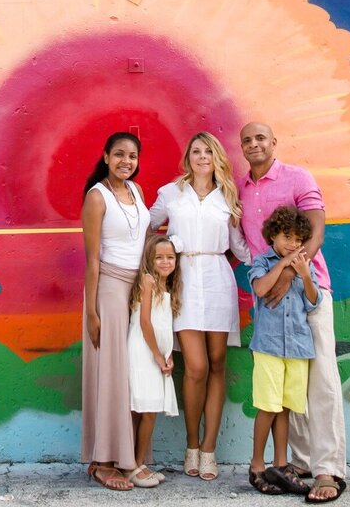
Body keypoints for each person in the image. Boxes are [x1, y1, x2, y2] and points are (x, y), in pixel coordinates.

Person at [237, 121, 347, 503]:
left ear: (273, 142)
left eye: (260, 138)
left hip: (308, 294)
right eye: (247, 140)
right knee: (290, 391)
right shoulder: (241, 190)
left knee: (322, 383)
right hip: (270, 308)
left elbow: (315, 232)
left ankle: (327, 469)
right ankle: (297, 463)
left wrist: (287, 277)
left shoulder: (298, 178)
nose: (254, 144)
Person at [148, 131, 249, 480]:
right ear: (187, 157)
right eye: (196, 151)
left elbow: (239, 245)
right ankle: (191, 444)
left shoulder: (228, 197)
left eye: (208, 151)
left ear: (216, 156)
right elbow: (146, 227)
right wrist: (163, 251)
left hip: (219, 277)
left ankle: (209, 450)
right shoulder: (171, 193)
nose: (202, 156)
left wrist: (278, 265)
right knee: (195, 366)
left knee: (218, 363)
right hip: (184, 283)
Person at [81, 131, 149, 491]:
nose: (127, 161)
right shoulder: (98, 197)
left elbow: (143, 239)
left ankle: (124, 457)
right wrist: (92, 312)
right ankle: (104, 462)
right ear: (106, 156)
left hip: (135, 289)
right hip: (107, 290)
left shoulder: (136, 192)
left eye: (133, 156)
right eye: (119, 154)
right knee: (110, 375)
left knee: (128, 374)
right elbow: (92, 260)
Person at [247, 206, 319, 496]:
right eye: (287, 236)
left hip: (297, 345)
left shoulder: (305, 265)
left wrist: (304, 274)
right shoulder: (262, 261)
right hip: (269, 345)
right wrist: (285, 265)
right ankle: (256, 466)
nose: (292, 244)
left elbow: (313, 302)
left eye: (298, 239)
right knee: (268, 405)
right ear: (273, 235)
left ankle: (280, 464)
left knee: (286, 406)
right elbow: (262, 289)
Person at [125, 233, 181, 488]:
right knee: (145, 411)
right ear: (150, 259)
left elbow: (162, 325)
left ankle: (139, 463)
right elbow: (145, 322)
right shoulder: (147, 281)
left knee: (148, 412)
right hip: (143, 352)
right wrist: (158, 355)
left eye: (170, 257)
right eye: (159, 257)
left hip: (156, 353)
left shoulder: (165, 286)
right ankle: (134, 466)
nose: (166, 262)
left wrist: (167, 353)